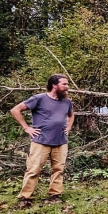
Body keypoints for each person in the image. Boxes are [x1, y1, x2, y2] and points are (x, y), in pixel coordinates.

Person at [10, 74, 75, 206]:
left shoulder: (67, 101)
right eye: (64, 84)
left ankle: (55, 195)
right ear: (54, 85)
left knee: (58, 169)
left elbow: (71, 115)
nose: (67, 87)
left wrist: (68, 127)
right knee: (33, 169)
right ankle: (25, 197)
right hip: (41, 141)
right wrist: (26, 128)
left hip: (61, 141)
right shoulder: (39, 99)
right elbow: (15, 110)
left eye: (67, 84)